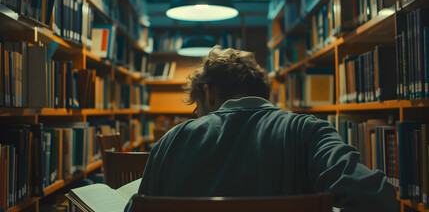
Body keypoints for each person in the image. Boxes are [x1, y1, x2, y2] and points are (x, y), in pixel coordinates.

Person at [126, 46, 397, 212]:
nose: (199, 118)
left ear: (208, 94)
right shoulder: (309, 131)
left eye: (198, 109)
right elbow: (376, 198)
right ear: (264, 90)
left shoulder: (174, 140)